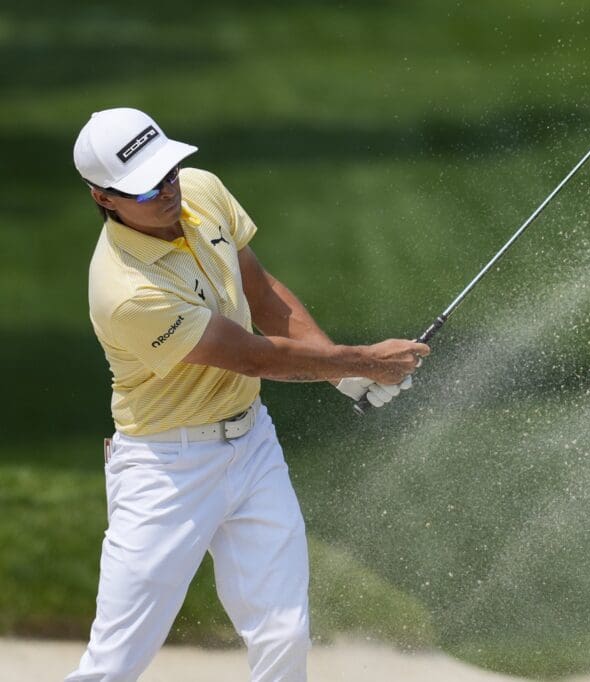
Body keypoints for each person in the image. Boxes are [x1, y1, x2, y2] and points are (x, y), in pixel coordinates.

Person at [67, 107, 429, 681]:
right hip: (166, 470)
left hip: (252, 443)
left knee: (284, 632)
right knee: (115, 660)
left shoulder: (201, 191)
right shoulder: (126, 291)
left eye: (168, 172)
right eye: (146, 187)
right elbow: (252, 355)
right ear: (103, 197)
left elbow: (259, 292)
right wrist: (364, 361)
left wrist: (342, 372)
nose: (167, 190)